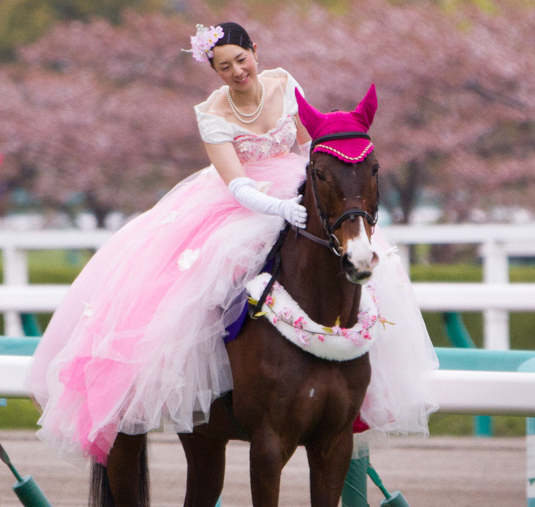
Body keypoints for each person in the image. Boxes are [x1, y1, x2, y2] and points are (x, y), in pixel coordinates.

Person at [25, 22, 437, 463]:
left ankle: (357, 388)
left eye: (242, 60)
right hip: (238, 200)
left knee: (358, 256)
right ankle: (220, 379)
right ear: (215, 71)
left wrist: (313, 191)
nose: (237, 71)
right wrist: (278, 209)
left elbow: (309, 143)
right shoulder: (211, 112)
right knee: (209, 278)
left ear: (254, 51)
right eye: (225, 67)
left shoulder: (284, 83)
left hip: (296, 183)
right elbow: (235, 183)